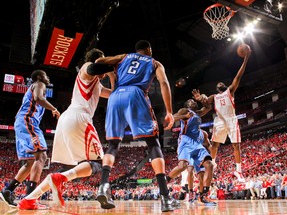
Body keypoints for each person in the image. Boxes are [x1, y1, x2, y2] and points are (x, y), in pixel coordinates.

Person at [17, 48, 115, 210]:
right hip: (78, 117)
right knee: (97, 163)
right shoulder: (87, 68)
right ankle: (59, 178)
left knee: (71, 167)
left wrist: (111, 74)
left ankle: (29, 199)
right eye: (102, 61)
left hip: (68, 119)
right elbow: (93, 68)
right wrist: (110, 65)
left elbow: (114, 93)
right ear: (97, 60)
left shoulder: (96, 83)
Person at [94, 40, 175, 212]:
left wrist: (109, 71)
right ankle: (165, 197)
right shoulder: (154, 62)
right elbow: (164, 83)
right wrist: (169, 111)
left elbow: (99, 62)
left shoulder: (123, 57)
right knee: (153, 143)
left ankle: (103, 186)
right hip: (136, 94)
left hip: (115, 96)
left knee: (113, 144)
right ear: (148, 49)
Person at [0, 70, 60, 208]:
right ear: (39, 77)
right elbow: (39, 98)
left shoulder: (33, 88)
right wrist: (54, 109)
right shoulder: (39, 84)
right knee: (42, 156)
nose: (47, 77)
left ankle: (8, 191)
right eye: (45, 75)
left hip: (23, 122)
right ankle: (30, 199)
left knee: (30, 162)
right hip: (27, 121)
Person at [199, 50, 251, 183]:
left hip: (231, 120)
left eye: (222, 83)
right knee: (215, 145)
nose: (220, 83)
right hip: (220, 121)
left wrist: (245, 60)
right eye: (218, 84)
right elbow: (205, 103)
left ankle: (238, 170)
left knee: (236, 146)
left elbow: (238, 76)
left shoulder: (230, 90)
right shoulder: (214, 97)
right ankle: (213, 163)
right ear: (217, 89)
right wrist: (200, 98)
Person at [166, 91, 216, 206]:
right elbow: (172, 117)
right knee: (182, 166)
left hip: (197, 144)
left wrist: (201, 99)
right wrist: (184, 116)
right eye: (190, 101)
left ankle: (203, 196)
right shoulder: (185, 111)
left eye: (193, 100)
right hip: (186, 141)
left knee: (209, 165)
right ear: (187, 105)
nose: (192, 101)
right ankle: (164, 181)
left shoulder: (198, 113)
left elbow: (208, 107)